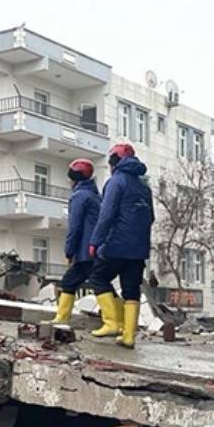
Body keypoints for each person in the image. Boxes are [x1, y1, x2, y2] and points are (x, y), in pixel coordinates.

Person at [88, 143, 153, 349]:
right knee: (131, 290)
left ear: (114, 162)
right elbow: (150, 217)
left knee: (98, 278)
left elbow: (106, 216)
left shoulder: (115, 182)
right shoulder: (144, 186)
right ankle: (129, 336)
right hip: (139, 248)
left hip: (116, 244)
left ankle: (112, 323)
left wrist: (95, 241)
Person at [51, 158, 101, 324]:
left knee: (69, 281)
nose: (68, 181)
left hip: (86, 251)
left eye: (70, 178)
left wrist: (69, 251)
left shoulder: (79, 196)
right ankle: (117, 321)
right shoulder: (95, 195)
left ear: (75, 179)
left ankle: (61, 318)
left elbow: (75, 226)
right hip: (97, 248)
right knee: (101, 283)